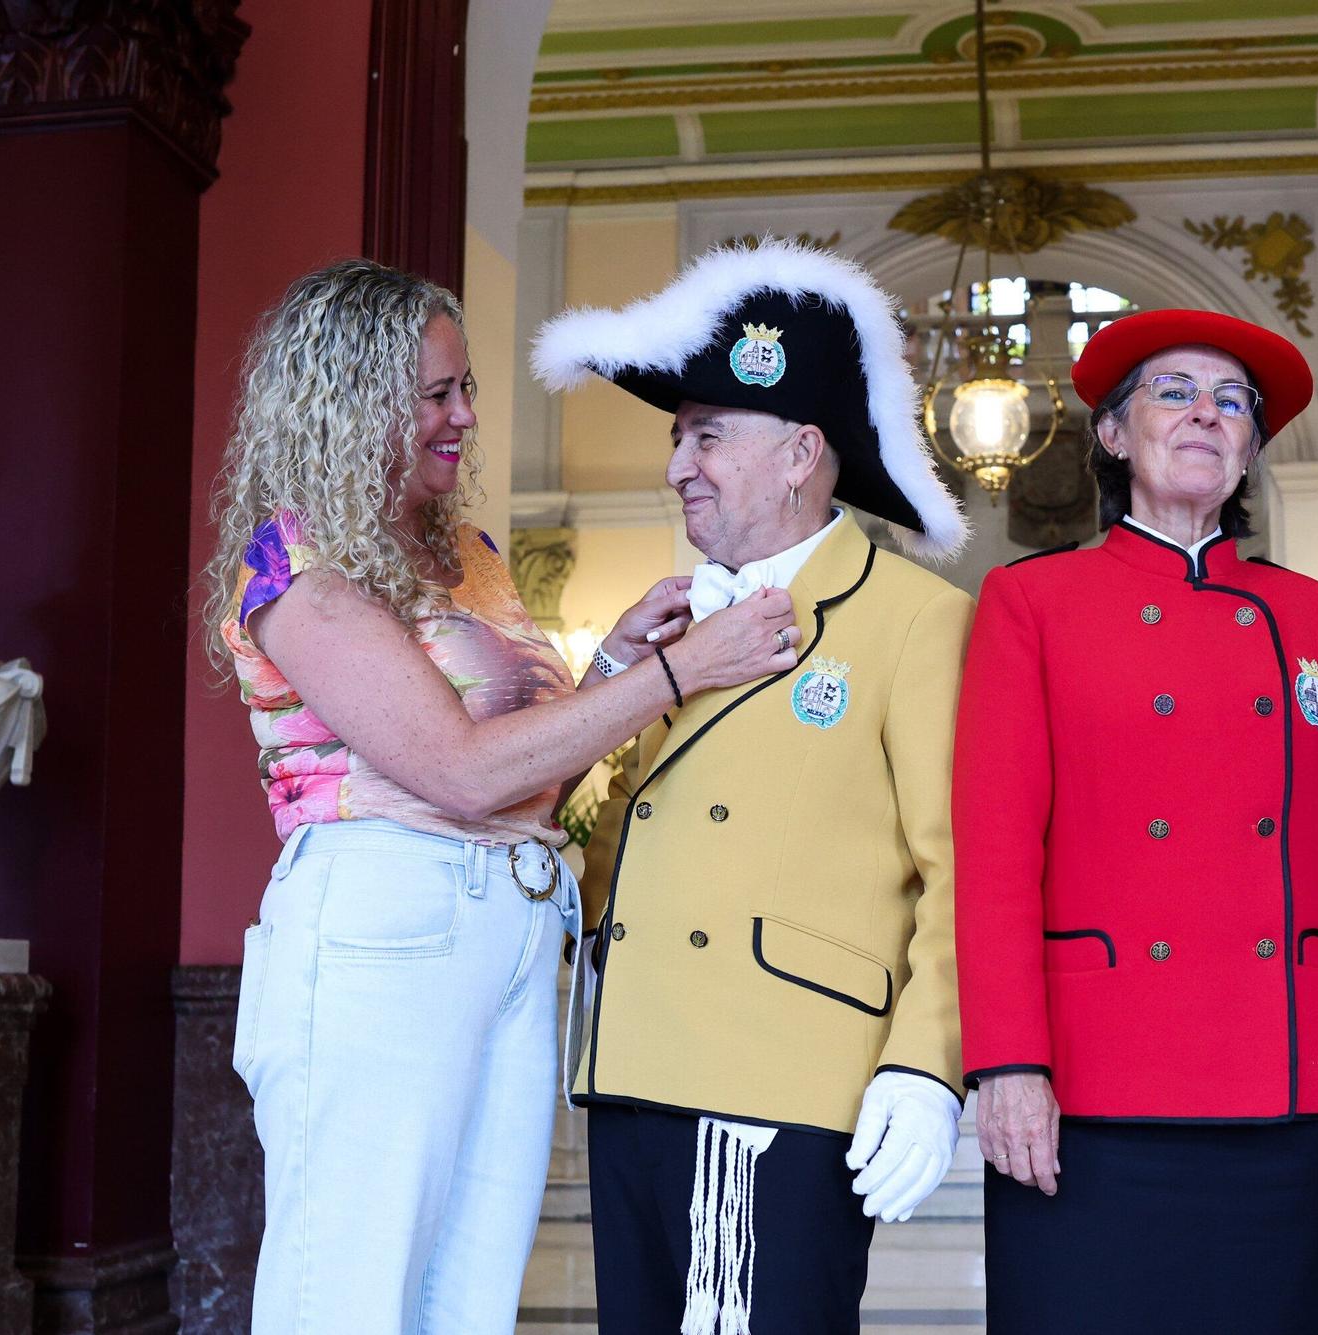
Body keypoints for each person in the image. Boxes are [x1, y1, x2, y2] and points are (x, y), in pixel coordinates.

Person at [203, 258, 799, 1335]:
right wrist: (688, 670)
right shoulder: (297, 568)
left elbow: (529, 778)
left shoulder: (466, 554)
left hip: (516, 928)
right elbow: (462, 773)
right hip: (382, 929)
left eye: (463, 388)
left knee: (472, 1300)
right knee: (347, 1294)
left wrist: (615, 666)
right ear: (352, 399)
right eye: (438, 394)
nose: (466, 416)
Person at [953, 308, 1318, 1333]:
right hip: (1090, 1091)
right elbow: (996, 850)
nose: (1205, 415)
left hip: (1281, 1089)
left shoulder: (1314, 616)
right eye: (1173, 392)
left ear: (1249, 451)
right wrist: (1007, 1061)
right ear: (1111, 433)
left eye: (1231, 404)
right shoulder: (1029, 601)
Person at [532, 239, 974, 1334]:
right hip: (634, 1069)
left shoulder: (914, 620)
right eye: (678, 435)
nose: (678, 462)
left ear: (799, 453)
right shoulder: (669, 620)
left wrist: (927, 1064)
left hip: (781, 1083)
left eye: (707, 435)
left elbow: (962, 867)